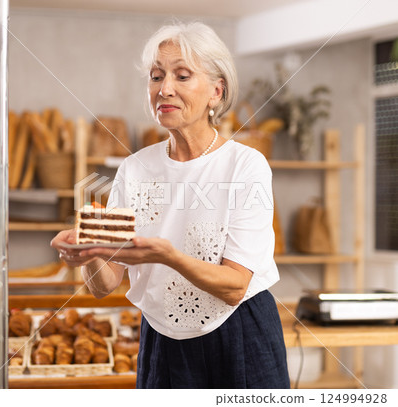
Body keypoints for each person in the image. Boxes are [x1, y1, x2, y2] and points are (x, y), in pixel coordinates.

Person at [51, 22, 290, 389]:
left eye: (182, 76)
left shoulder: (245, 165)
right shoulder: (134, 169)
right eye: (156, 76)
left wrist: (167, 256)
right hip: (162, 339)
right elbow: (105, 284)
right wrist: (90, 252)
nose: (164, 89)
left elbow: (235, 286)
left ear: (216, 91)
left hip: (240, 335)